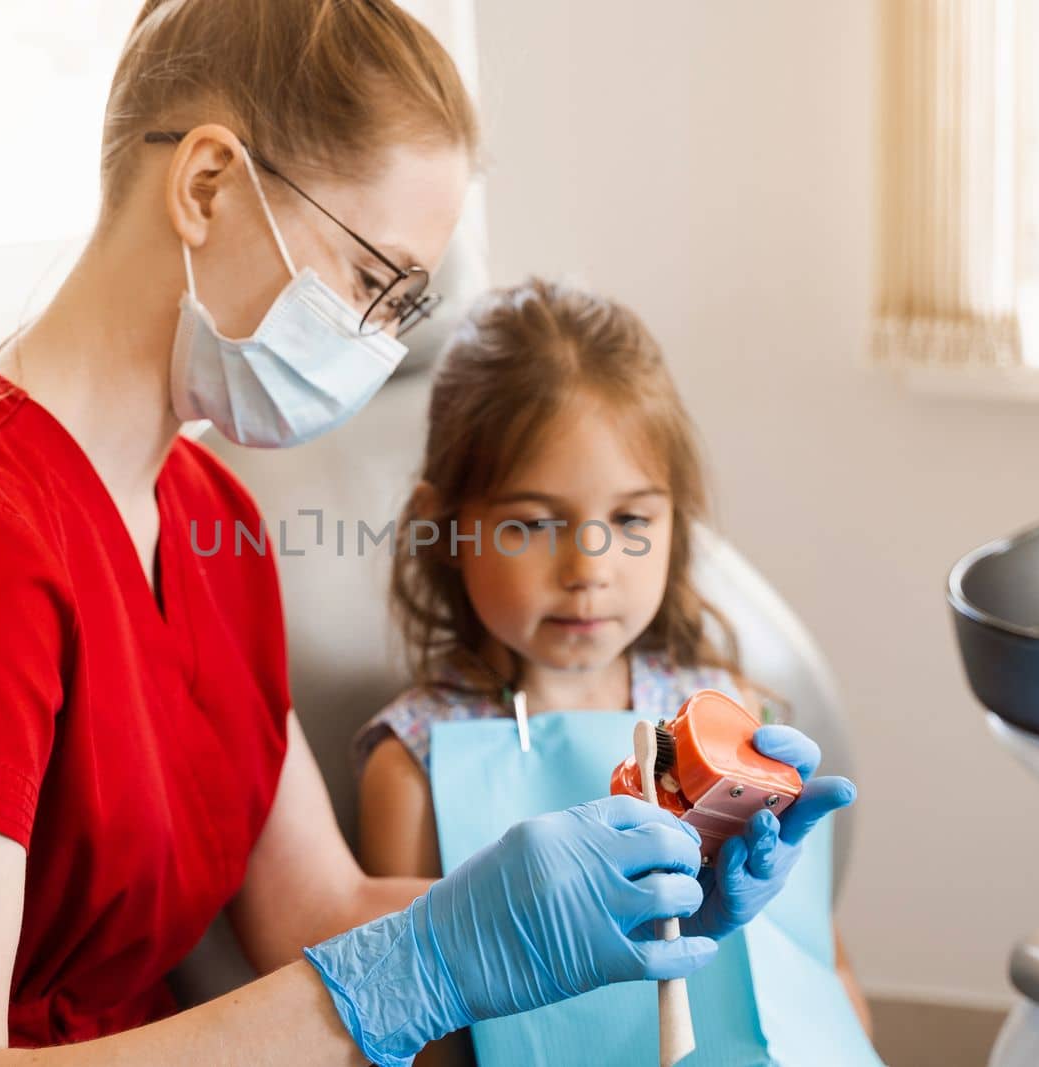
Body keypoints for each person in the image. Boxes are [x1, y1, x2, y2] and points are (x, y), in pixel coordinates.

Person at [0, 3, 851, 1065]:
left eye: (401, 306)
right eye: (369, 279)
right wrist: (428, 962)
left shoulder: (211, 521)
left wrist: (628, 899)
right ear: (207, 184)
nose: (373, 345)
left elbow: (313, 910)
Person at [355, 278, 869, 1063]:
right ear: (444, 527)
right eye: (533, 522)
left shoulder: (731, 721)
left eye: (629, 519)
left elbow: (820, 967)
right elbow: (420, 1038)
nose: (588, 565)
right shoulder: (415, 766)